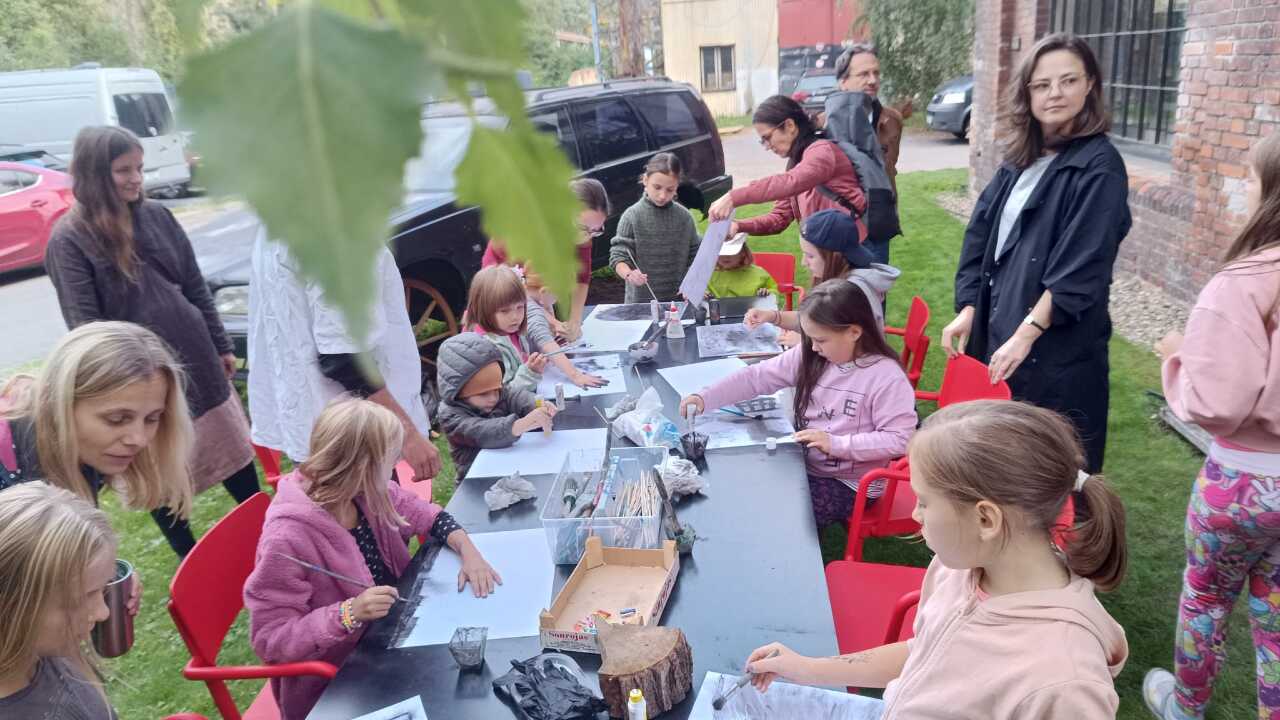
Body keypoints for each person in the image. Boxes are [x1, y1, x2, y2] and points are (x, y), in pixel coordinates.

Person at [744, 400, 1130, 719]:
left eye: (924, 502)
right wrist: (809, 669)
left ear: (985, 519)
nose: (915, 514)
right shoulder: (959, 567)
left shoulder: (1064, 682)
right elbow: (925, 653)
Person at [43, 126, 259, 557]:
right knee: (156, 474)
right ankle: (192, 561)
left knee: (236, 462)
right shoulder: (69, 240)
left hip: (197, 360)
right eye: (124, 170)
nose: (136, 179)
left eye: (139, 168)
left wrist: (220, 345)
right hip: (139, 382)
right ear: (94, 172)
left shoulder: (157, 215)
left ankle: (266, 539)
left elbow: (194, 285)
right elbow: (87, 328)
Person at [940, 33, 1131, 474]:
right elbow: (981, 238)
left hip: (1056, 348)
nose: (1055, 93)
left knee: (1051, 467)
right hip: (1000, 326)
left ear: (1090, 85)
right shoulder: (1019, 160)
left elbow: (1081, 266)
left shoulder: (1100, 167)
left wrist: (1026, 335)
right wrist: (969, 307)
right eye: (1042, 84)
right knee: (1004, 461)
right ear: (1027, 93)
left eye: (1068, 81)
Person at [244, 399, 500, 720]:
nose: (396, 466)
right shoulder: (287, 538)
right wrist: (348, 613)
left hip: (394, 637)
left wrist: (468, 550)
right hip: (342, 679)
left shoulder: (363, 492)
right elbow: (271, 639)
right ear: (360, 466)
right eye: (390, 460)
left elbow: (425, 514)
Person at [1143, 131, 1280, 720]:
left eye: (1250, 178)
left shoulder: (1245, 281)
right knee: (1276, 618)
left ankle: (1186, 707)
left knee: (1205, 596)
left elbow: (1216, 403)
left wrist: (1176, 357)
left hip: (1240, 483)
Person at [679, 281, 916, 530]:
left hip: (851, 483)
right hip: (804, 463)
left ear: (854, 332)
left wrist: (836, 444)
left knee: (785, 518)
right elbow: (757, 377)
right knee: (750, 490)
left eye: (821, 339)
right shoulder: (811, 355)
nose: (813, 346)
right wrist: (705, 397)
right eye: (809, 338)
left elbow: (901, 439)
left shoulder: (886, 377)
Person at [247, 226, 442, 480]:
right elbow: (344, 358)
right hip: (354, 438)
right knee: (369, 505)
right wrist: (407, 434)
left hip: (321, 430)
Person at [1, 322, 194, 572]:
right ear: (58, 404)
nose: (138, 439)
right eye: (116, 419)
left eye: (152, 418)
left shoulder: (86, 451)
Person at [0, 483, 120, 719]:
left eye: (103, 589)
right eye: (77, 601)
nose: (103, 612)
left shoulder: (47, 651)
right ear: (9, 607)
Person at [707, 96, 867, 250]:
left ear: (790, 125)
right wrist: (738, 226)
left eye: (767, 137)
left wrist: (733, 197)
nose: (767, 146)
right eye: (762, 141)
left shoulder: (822, 151)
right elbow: (779, 218)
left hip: (853, 251)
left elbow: (792, 181)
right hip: (827, 254)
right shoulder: (796, 162)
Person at [482, 178, 611, 342]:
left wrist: (575, 321)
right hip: (498, 305)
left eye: (597, 230)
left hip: (532, 301)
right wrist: (553, 323)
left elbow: (582, 278)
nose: (588, 236)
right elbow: (515, 292)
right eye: (583, 228)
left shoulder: (584, 232)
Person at [745, 209, 899, 343]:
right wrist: (772, 316)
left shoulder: (852, 295)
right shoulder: (841, 281)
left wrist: (805, 344)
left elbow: (852, 349)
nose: (804, 263)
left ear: (834, 257)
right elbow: (812, 319)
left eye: (810, 256)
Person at [435, 334, 556, 480]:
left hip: (510, 468)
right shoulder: (450, 416)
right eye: (483, 394)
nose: (493, 397)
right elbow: (482, 432)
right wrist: (521, 424)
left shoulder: (497, 393)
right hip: (477, 479)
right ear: (459, 392)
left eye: (497, 389)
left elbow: (514, 396)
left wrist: (536, 405)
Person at [610, 152, 702, 303]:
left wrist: (693, 283)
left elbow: (696, 257)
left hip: (679, 302)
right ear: (645, 180)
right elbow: (618, 256)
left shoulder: (685, 218)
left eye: (669, 190)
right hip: (640, 304)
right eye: (657, 187)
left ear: (677, 187)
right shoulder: (632, 216)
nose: (662, 195)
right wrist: (629, 274)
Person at [833, 44, 906, 201]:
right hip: (839, 213)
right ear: (843, 82)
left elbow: (890, 170)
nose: (873, 81)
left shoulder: (893, 120)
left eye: (876, 73)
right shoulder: (822, 125)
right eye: (864, 74)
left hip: (884, 211)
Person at [706, 233, 780, 303]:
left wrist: (767, 292)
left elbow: (774, 293)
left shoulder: (759, 274)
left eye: (731, 252)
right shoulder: (708, 274)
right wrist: (703, 295)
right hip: (719, 311)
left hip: (752, 310)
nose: (726, 256)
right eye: (721, 252)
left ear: (743, 253)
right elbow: (701, 293)